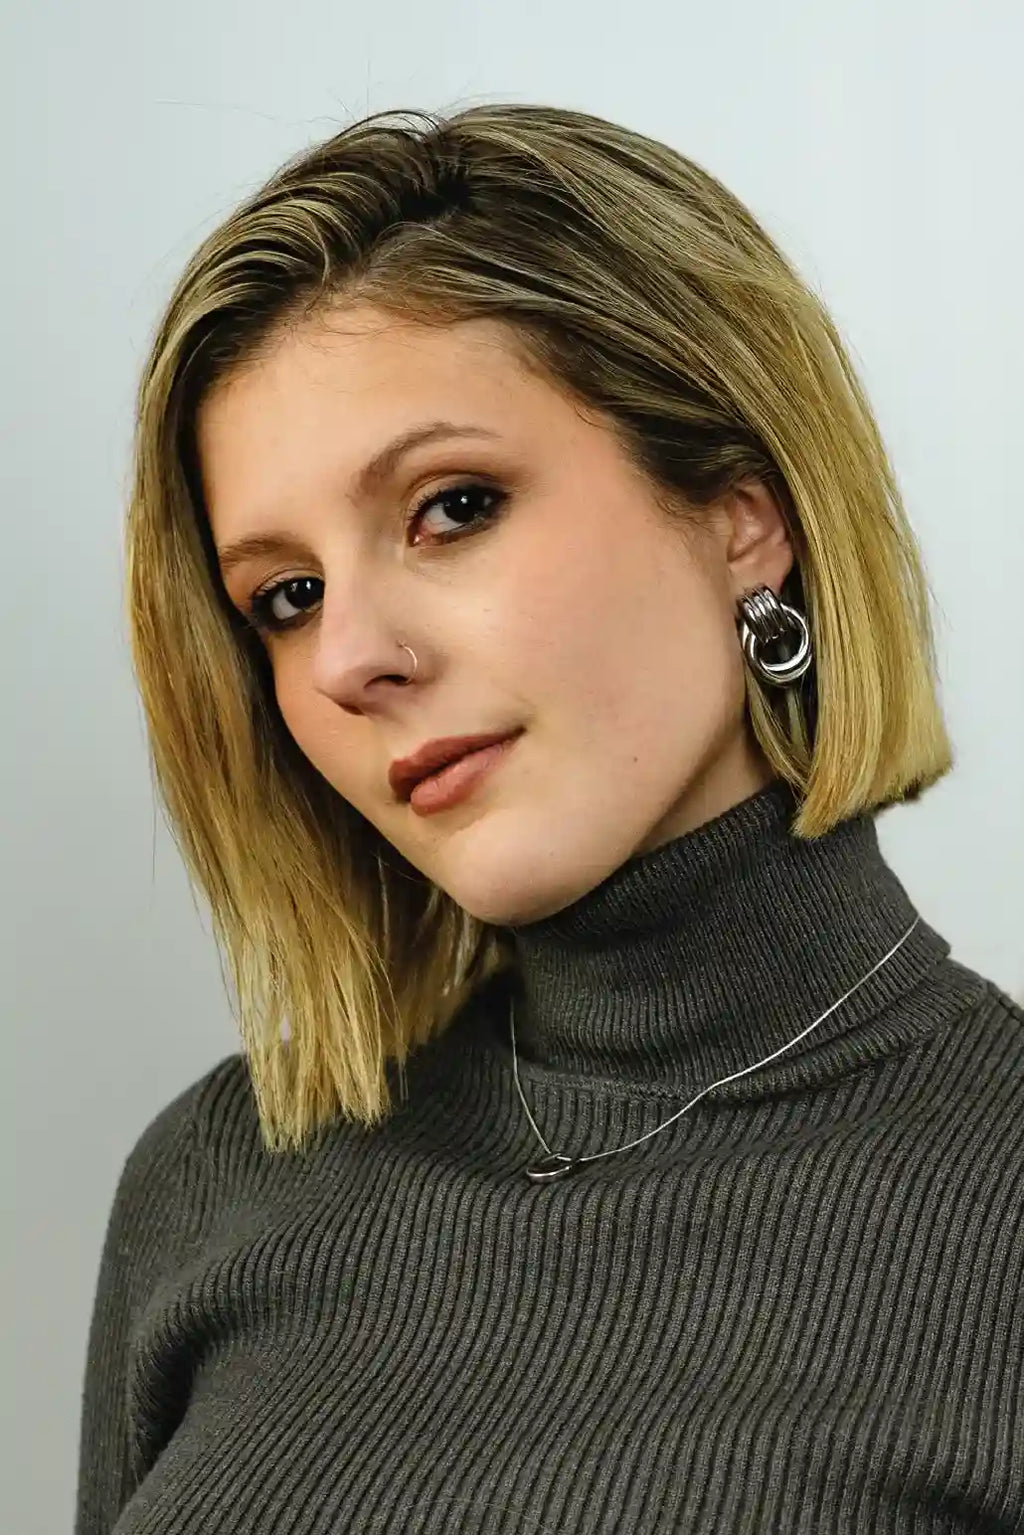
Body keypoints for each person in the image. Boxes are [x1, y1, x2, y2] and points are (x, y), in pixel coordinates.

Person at [74, 103, 1023, 1534]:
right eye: (285, 595)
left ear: (740, 515)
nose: (347, 659)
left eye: (452, 507)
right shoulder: (218, 1185)